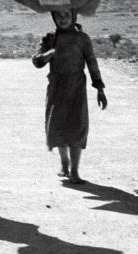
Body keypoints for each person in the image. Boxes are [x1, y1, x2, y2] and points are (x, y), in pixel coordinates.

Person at [31, 9, 108, 183]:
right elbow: (36, 61)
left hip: (76, 87)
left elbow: (92, 63)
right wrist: (49, 54)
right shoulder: (50, 38)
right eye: (58, 15)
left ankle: (74, 171)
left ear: (73, 16)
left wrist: (100, 88)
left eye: (66, 15)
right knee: (58, 126)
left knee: (77, 127)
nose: (63, 19)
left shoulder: (82, 39)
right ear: (53, 17)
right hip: (56, 87)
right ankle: (64, 163)